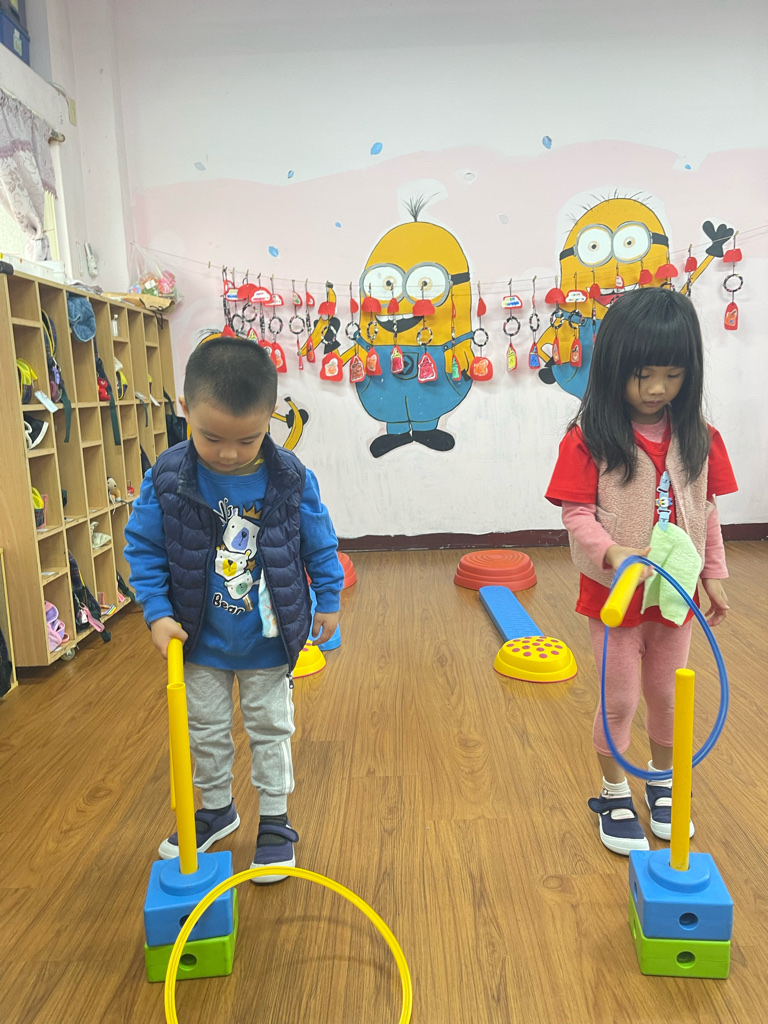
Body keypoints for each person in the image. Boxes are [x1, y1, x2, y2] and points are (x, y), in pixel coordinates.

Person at [125, 336, 343, 881]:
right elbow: (144, 547)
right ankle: (217, 810)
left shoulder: (289, 476)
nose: (228, 453)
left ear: (270, 418)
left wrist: (329, 597)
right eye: (211, 437)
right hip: (199, 639)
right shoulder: (167, 476)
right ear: (185, 410)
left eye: (248, 439)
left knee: (271, 729)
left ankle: (275, 821)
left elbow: (318, 540)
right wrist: (156, 612)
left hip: (268, 638)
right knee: (205, 731)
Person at [545, 288, 737, 855]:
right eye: (643, 374)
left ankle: (661, 782)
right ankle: (613, 791)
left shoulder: (699, 437)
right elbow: (576, 515)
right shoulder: (588, 440)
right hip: (616, 596)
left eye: (673, 375)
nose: (657, 389)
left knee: (667, 695)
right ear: (613, 368)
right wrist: (613, 553)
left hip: (674, 596)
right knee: (620, 699)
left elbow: (705, 509)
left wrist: (714, 572)